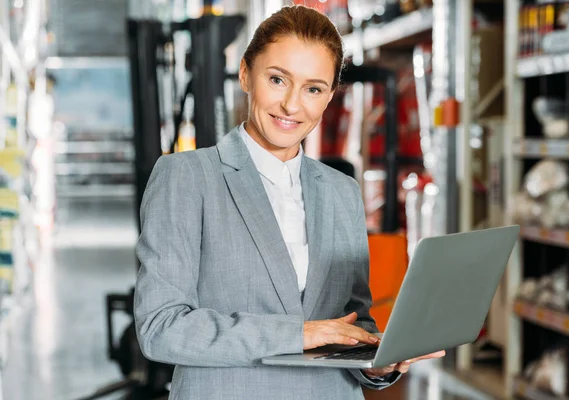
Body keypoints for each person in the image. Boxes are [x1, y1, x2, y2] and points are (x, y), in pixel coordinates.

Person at [134, 5, 444, 399]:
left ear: (330, 96)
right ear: (246, 74)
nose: (292, 105)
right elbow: (161, 328)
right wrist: (297, 334)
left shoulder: (340, 190)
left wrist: (375, 362)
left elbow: (354, 320)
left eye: (313, 88)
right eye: (278, 79)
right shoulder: (187, 177)